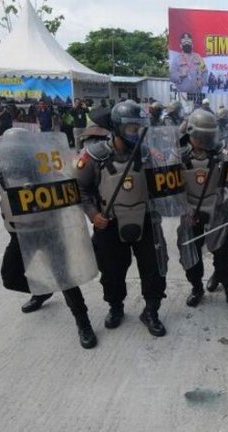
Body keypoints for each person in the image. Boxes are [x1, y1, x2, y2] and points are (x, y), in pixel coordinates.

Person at [0, 130, 97, 349]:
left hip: (51, 231)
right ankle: (42, 290)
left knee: (65, 279)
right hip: (20, 234)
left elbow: (68, 190)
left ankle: (84, 323)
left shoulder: (46, 168)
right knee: (10, 278)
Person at [75, 100, 168, 337]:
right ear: (117, 128)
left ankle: (151, 311)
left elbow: (165, 185)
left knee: (154, 268)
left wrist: (165, 162)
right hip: (109, 223)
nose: (137, 133)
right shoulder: (93, 156)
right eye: (131, 128)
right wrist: (94, 215)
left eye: (140, 127)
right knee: (112, 272)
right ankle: (116, 307)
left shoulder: (149, 154)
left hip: (145, 220)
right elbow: (80, 190)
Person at [176, 109, 228, 313]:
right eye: (201, 136)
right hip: (190, 213)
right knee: (190, 255)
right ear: (190, 133)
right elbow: (172, 190)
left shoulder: (222, 154)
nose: (206, 141)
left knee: (223, 254)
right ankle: (197, 288)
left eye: (209, 136)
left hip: (217, 211)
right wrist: (186, 209)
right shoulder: (178, 157)